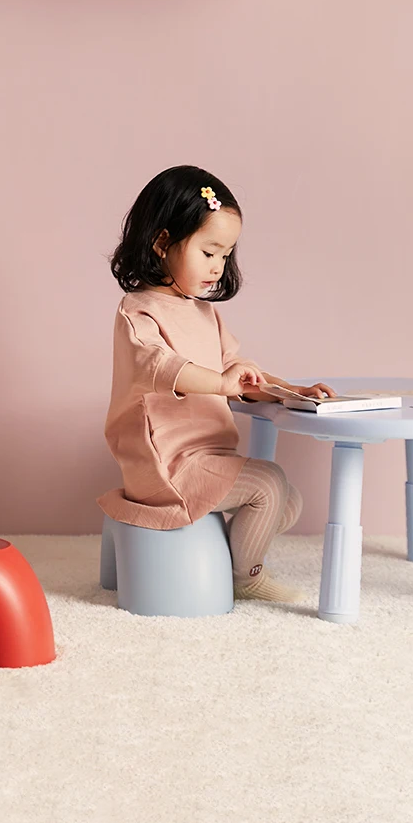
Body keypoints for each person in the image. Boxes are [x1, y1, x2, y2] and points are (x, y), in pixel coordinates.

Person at [97, 165, 336, 604]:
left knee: (289, 501)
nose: (217, 266)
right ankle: (247, 577)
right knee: (269, 483)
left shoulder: (205, 313)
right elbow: (161, 366)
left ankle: (218, 555)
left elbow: (238, 373)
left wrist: (289, 391)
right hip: (167, 466)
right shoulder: (138, 313)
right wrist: (220, 383)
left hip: (209, 458)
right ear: (162, 243)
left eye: (225, 255)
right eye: (209, 252)